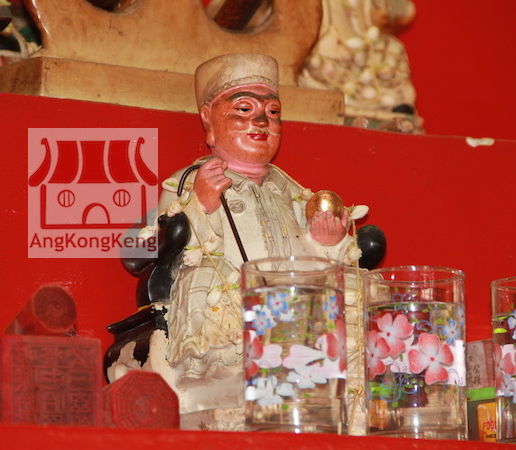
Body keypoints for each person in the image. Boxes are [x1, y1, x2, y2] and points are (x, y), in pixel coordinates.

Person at [109, 53, 381, 430]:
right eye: (244, 109)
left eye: (272, 112)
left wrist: (326, 242)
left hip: (296, 300)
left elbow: (312, 256)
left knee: (354, 291)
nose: (261, 121)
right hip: (233, 299)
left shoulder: (293, 192)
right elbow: (155, 244)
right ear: (208, 118)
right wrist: (201, 204)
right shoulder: (188, 181)